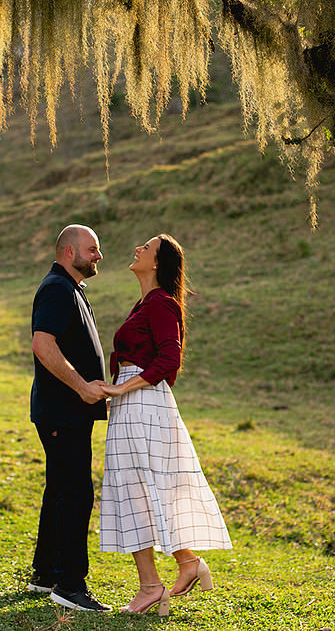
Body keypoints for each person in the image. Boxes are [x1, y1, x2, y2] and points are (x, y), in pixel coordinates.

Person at [98, 233, 232, 617]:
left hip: (143, 402)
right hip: (133, 403)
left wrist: (122, 387)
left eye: (146, 247)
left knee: (134, 488)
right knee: (140, 488)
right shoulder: (145, 304)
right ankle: (185, 563)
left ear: (157, 262)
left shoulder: (161, 304)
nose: (137, 248)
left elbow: (168, 361)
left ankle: (152, 586)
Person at [28, 224, 112, 612]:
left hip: (65, 412)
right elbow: (43, 345)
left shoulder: (70, 288)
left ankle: (45, 576)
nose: (98, 255)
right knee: (76, 493)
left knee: (60, 490)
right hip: (63, 410)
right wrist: (81, 386)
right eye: (92, 249)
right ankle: (70, 584)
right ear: (68, 252)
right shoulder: (57, 289)